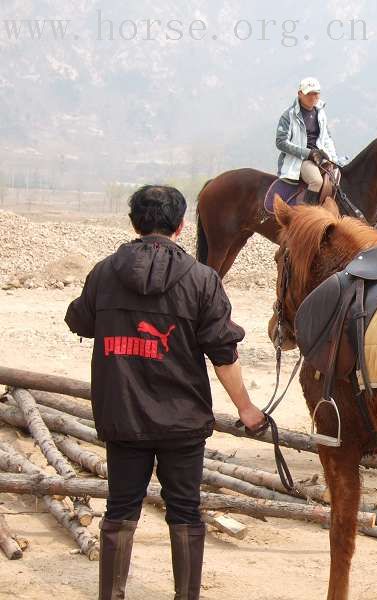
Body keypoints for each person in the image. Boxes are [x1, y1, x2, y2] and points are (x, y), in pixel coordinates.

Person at [65, 185, 266, 600]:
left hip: (122, 416)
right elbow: (223, 354)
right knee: (186, 511)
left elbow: (80, 321)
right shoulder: (201, 279)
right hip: (182, 422)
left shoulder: (104, 273)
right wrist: (246, 409)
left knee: (120, 510)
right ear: (180, 226)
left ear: (135, 223)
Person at [276, 76, 339, 205]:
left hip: (320, 156)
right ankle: (306, 215)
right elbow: (281, 142)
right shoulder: (289, 115)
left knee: (338, 178)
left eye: (316, 93)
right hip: (300, 160)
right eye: (309, 93)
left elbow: (327, 138)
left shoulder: (320, 113)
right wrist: (308, 153)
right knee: (316, 181)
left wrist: (333, 159)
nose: (313, 97)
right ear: (300, 94)